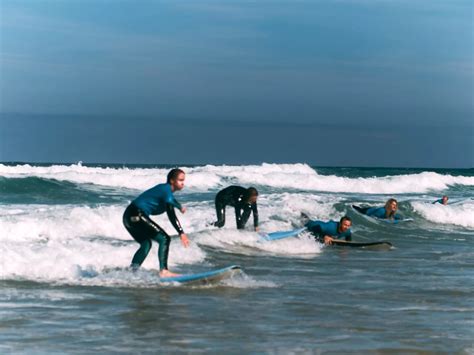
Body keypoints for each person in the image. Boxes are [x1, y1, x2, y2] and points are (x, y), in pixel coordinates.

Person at [123, 168, 189, 277]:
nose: (183, 183)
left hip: (129, 216)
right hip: (136, 214)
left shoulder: (167, 195)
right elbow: (172, 203)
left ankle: (132, 272)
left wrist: (181, 232)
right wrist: (180, 207)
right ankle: (164, 271)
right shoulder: (166, 189)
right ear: (172, 181)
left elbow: (171, 214)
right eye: (180, 180)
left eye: (183, 180)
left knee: (146, 244)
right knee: (164, 238)